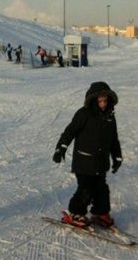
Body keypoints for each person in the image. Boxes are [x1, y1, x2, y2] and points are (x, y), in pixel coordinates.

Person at [52, 81, 123, 228]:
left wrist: (117, 156)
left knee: (101, 188)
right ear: (93, 100)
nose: (103, 104)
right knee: (86, 188)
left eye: (105, 101)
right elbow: (70, 131)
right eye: (100, 101)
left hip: (101, 162)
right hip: (84, 161)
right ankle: (75, 213)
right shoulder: (84, 114)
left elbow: (113, 139)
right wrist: (61, 148)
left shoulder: (110, 117)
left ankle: (100, 212)